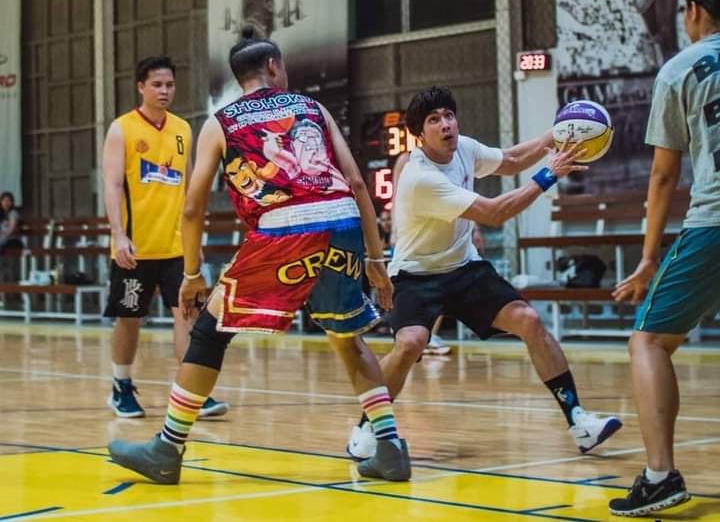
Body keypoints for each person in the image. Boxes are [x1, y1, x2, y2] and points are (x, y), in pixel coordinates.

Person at [108, 28, 411, 484]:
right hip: (344, 223)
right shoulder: (313, 108)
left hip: (285, 230)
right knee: (347, 336)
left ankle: (167, 448)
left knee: (209, 331)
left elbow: (192, 207)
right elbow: (357, 182)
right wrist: (375, 261)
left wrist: (193, 273)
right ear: (273, 67)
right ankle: (389, 447)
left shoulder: (221, 121)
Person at [348, 86, 622, 461]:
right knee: (411, 343)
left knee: (528, 320)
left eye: (448, 115)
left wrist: (558, 133)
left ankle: (579, 420)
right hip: (417, 273)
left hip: (465, 267)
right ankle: (368, 424)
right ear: (419, 134)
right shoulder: (418, 177)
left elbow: (509, 160)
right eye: (434, 120)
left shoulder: (463, 147)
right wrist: (548, 175)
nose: (446, 124)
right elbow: (494, 212)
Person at [609, 0, 720, 516]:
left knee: (648, 342)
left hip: (715, 224)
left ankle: (659, 477)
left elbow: (662, 176)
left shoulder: (680, 69)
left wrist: (649, 258)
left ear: (694, 10)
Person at [103, 55, 228, 420]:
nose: (164, 91)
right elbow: (111, 185)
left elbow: (191, 188)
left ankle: (190, 392)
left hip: (177, 247)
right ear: (141, 87)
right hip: (135, 248)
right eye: (157, 84)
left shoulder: (183, 129)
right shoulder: (121, 128)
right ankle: (121, 386)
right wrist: (118, 234)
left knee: (187, 315)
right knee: (129, 319)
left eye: (170, 85)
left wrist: (196, 239)